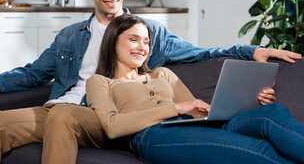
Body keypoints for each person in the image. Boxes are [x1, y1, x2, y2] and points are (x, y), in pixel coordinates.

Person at [0, 0, 301, 164]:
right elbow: (34, 72)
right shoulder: (70, 36)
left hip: (99, 114)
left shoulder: (147, 32)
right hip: (65, 106)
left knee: (64, 114)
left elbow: (202, 54)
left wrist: (249, 51)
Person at [86, 14, 304, 164]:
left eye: (146, 41)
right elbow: (112, 126)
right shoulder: (100, 82)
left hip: (197, 128)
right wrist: (176, 108)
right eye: (133, 40)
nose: (142, 47)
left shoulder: (161, 73)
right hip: (152, 136)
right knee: (258, 150)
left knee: (271, 114)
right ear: (113, 42)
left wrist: (249, 100)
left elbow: (197, 113)